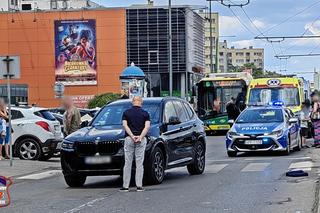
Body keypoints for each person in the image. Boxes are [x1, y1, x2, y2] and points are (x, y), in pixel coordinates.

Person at [121, 96, 150, 192]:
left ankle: (125, 186)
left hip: (129, 139)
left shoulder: (126, 113)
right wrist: (140, 137)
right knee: (139, 163)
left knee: (128, 162)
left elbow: (125, 125)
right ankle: (139, 186)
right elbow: (147, 127)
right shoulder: (145, 113)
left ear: (132, 102)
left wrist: (132, 136)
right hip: (141, 139)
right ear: (141, 102)